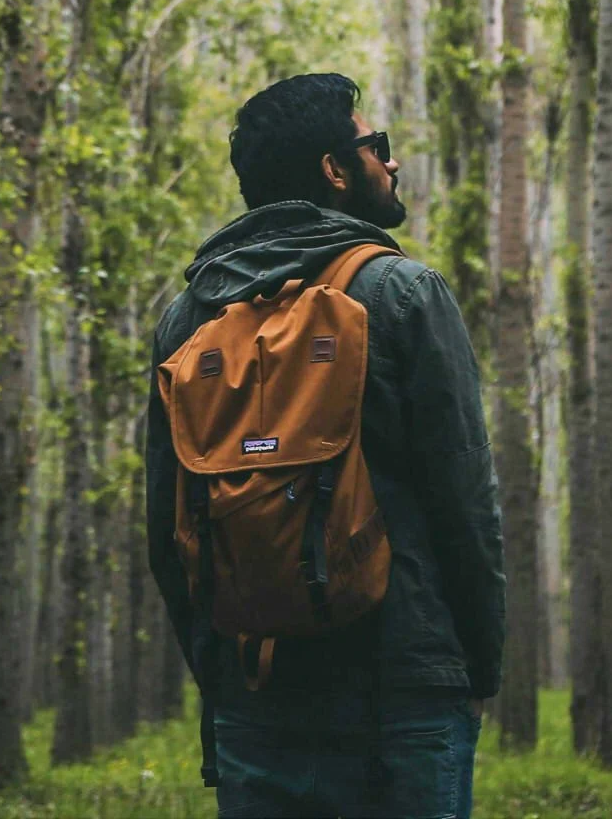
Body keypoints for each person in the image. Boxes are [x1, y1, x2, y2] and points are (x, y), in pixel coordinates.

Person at [146, 72, 506, 819]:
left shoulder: (187, 322)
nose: (392, 162)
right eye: (377, 146)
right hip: (404, 688)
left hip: (258, 689)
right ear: (335, 171)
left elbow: (168, 532)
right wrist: (473, 668)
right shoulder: (404, 293)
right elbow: (465, 505)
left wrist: (220, 683)